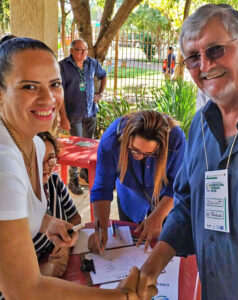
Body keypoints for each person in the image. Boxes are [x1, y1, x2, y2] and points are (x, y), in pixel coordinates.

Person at [137, 4, 238, 300]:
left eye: (215, 50)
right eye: (193, 58)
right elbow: (188, 203)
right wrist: (150, 268)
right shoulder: (200, 125)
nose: (206, 65)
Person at [0, 37, 153, 300]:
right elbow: (22, 290)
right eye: (29, 86)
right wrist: (123, 297)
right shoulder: (4, 163)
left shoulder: (35, 146)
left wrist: (47, 222)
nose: (48, 98)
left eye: (55, 84)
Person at [88, 110, 186, 253]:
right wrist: (101, 228)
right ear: (126, 139)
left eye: (149, 154)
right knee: (131, 242)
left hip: (164, 199)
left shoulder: (176, 140)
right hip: (130, 194)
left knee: (162, 243)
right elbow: (102, 188)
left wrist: (158, 217)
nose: (140, 157)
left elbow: (178, 186)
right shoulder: (111, 140)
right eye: (134, 150)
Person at [59, 38, 107, 195]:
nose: (82, 53)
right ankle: (73, 180)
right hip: (73, 114)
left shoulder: (92, 63)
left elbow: (103, 75)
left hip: (90, 112)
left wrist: (100, 94)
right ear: (71, 51)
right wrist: (64, 118)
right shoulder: (63, 66)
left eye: (85, 50)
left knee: (88, 146)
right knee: (76, 148)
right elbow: (59, 94)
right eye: (79, 50)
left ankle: (84, 172)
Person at [36, 131, 81, 277]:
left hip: (54, 259)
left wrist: (65, 246)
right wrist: (46, 270)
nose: (45, 167)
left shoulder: (54, 182)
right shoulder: (12, 196)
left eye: (51, 159)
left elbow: (75, 218)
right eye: (37, 159)